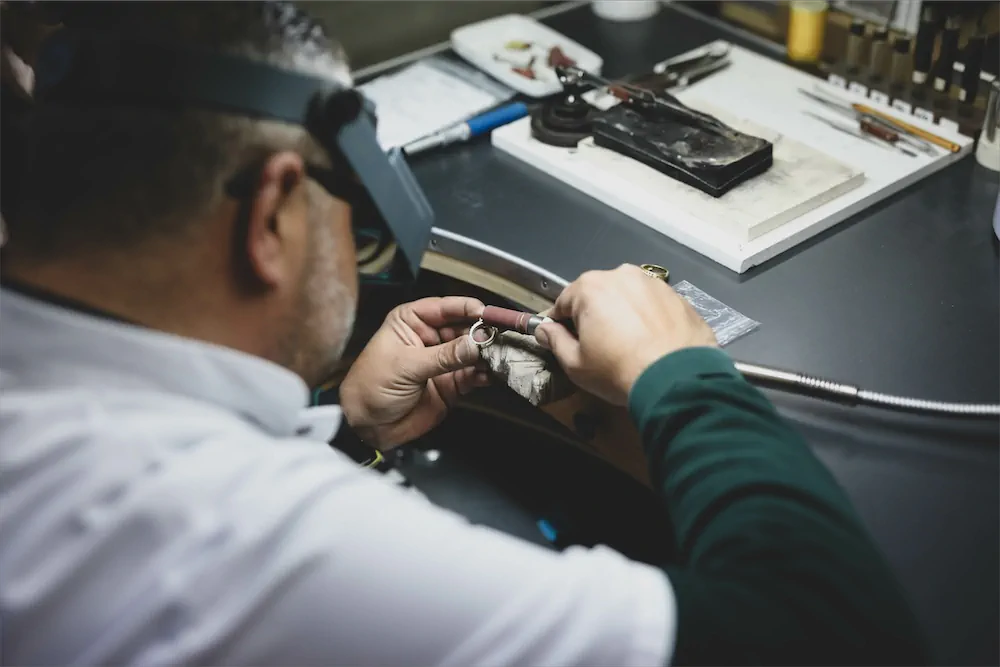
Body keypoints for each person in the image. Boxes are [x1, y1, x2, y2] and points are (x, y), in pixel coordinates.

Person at [0, 2, 928, 666]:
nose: (356, 247)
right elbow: (839, 633)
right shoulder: (230, 534)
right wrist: (680, 370)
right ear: (273, 216)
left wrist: (345, 423)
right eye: (351, 213)